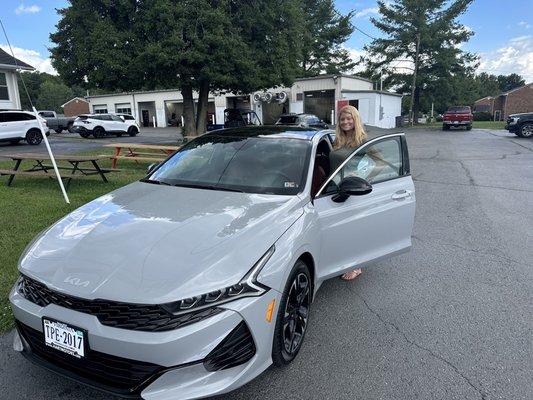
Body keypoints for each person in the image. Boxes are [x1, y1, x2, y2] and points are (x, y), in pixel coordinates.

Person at [331, 105, 367, 281]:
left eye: (349, 118)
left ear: (355, 119)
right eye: (342, 119)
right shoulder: (337, 140)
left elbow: (378, 163)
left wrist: (362, 176)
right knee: (341, 227)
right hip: (335, 187)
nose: (345, 122)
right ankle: (343, 260)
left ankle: (356, 266)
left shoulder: (362, 140)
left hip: (353, 188)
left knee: (353, 228)